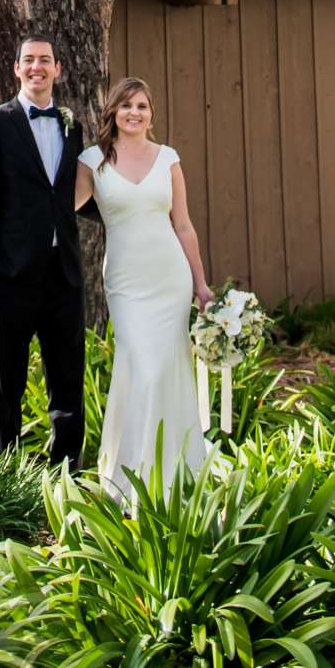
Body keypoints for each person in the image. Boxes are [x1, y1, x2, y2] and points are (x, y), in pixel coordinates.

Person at [75, 75, 210, 502]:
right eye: (127, 105)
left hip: (170, 278)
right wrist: (10, 210)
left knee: (165, 370)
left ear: (151, 115)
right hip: (127, 283)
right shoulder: (92, 160)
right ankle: (127, 474)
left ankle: (174, 470)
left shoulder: (168, 158)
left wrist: (202, 285)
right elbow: (60, 207)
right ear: (112, 112)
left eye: (143, 106)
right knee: (140, 368)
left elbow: (183, 225)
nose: (135, 113)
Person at [0, 34, 86, 467]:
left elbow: (75, 193)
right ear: (16, 69)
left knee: (67, 375)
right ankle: (4, 468)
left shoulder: (72, 124)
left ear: (57, 70)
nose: (37, 67)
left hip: (64, 272)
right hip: (12, 271)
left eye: (45, 60)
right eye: (29, 60)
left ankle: (67, 469)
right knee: (7, 377)